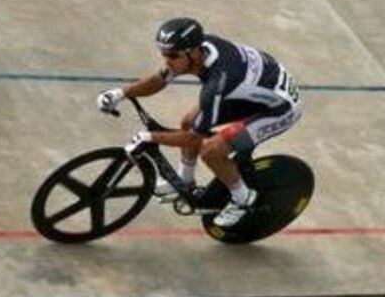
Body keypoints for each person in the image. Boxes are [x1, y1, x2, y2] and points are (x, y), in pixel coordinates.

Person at [94, 17, 304, 228]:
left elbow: (195, 139)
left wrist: (149, 137)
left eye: (173, 55)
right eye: (164, 54)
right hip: (252, 92)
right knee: (188, 121)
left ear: (193, 53)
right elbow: (160, 79)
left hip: (279, 109)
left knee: (211, 150)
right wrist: (120, 93)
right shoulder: (200, 48)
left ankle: (243, 199)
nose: (167, 61)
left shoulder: (217, 81)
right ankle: (185, 179)